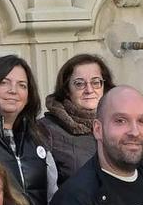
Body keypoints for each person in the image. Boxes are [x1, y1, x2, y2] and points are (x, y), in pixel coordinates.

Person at [0, 54, 54, 205]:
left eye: (22, 85)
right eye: (4, 83)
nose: (13, 90)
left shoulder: (40, 135)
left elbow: (52, 193)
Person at [40, 53, 113, 182]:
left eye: (96, 82)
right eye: (79, 84)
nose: (89, 90)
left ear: (104, 86)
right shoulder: (46, 130)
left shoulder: (117, 123)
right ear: (67, 89)